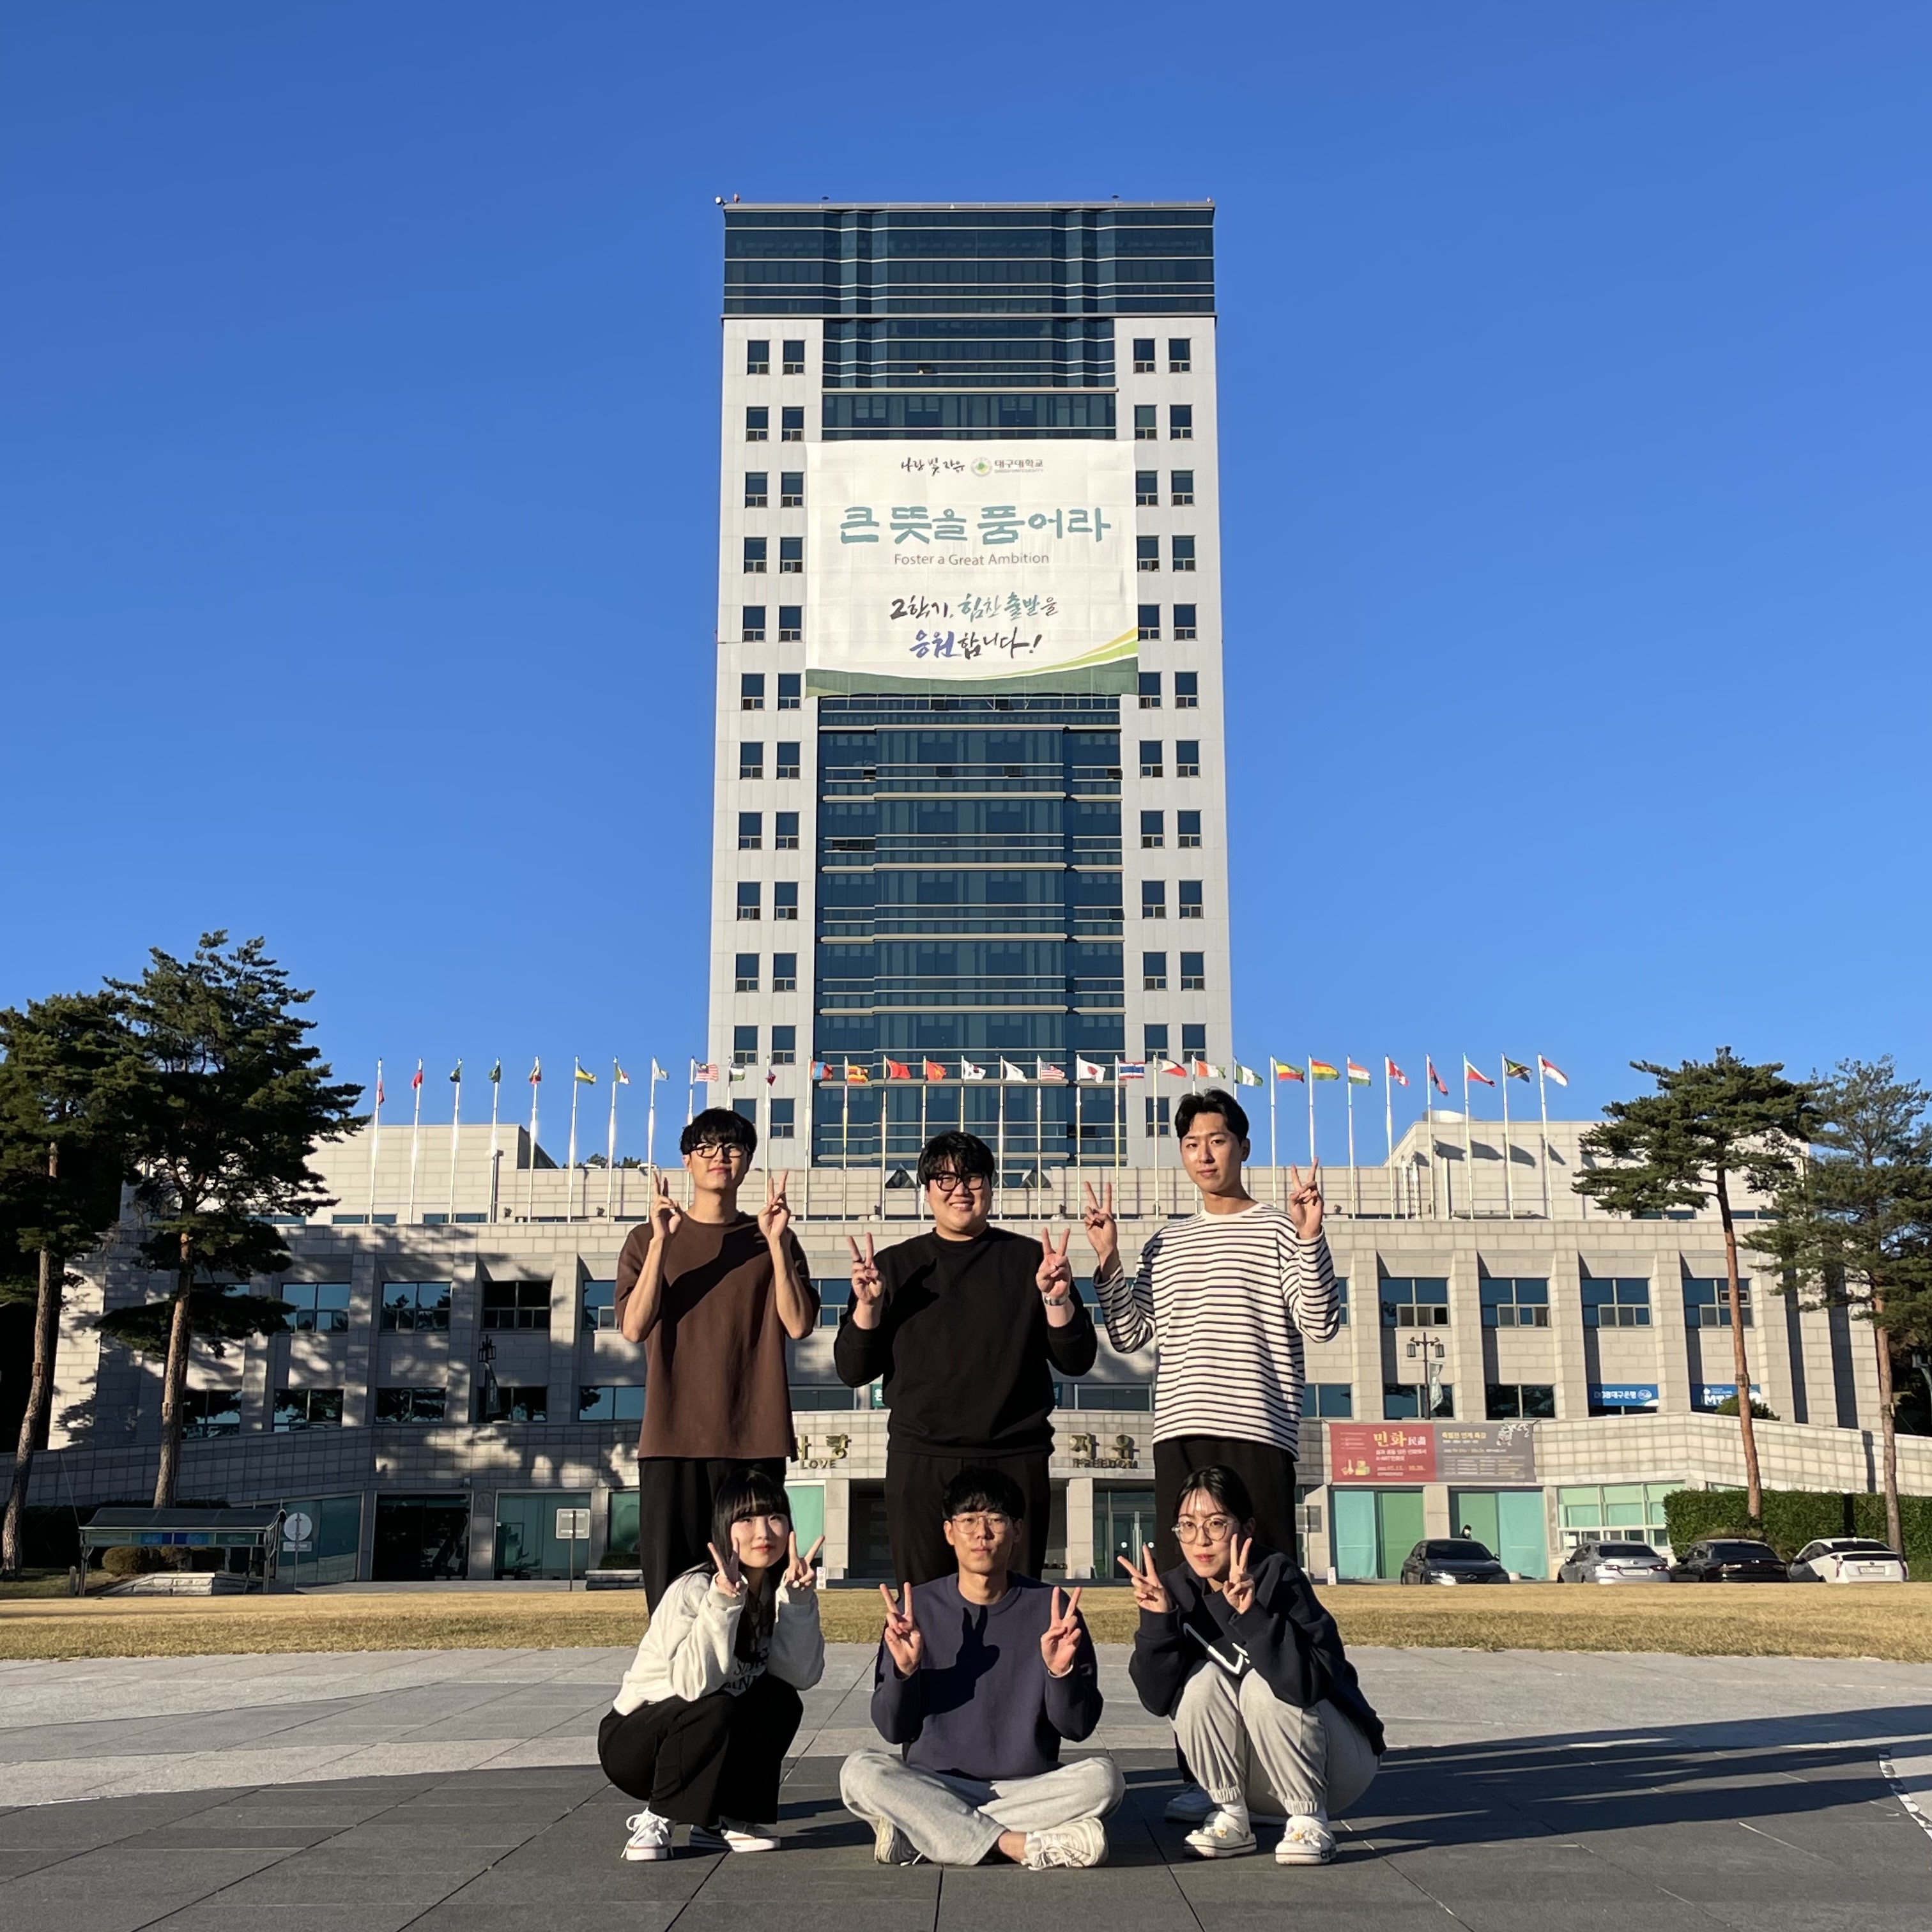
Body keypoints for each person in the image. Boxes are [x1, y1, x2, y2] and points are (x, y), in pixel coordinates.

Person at [834, 1130, 1098, 1587]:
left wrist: (1057, 1299)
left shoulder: (1033, 1262)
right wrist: (868, 1308)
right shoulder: (894, 1268)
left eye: (973, 1178)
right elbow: (852, 1370)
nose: (960, 1190)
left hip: (1014, 1455)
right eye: (945, 1179)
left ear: (991, 1186)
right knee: (923, 1604)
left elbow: (1077, 1360)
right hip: (922, 1458)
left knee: (1017, 1602)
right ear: (927, 1191)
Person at [839, 1466, 1122, 1870]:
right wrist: (905, 1673)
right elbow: (892, 1729)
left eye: (995, 1520)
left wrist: (1060, 1674)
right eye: (968, 1520)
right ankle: (1017, 1844)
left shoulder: (1054, 1610)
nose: (982, 1533)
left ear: (1017, 1530)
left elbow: (1077, 1728)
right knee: (859, 1772)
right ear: (949, 1532)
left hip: (1027, 1788)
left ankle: (926, 1833)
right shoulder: (917, 1611)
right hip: (935, 1784)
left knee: (1105, 1780)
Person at [1123, 1464, 1384, 1866]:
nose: (1201, 1539)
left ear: (1245, 1528)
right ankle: (1231, 1817)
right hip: (1253, 1777)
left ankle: (1309, 1822)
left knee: (1263, 1684)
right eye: (1187, 1526)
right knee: (1200, 1683)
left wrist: (1253, 1616)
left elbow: (1304, 1685)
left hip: (1337, 1763)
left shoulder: (1277, 1575)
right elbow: (1157, 1700)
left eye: (1215, 1523)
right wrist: (1158, 1621)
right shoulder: (1174, 1590)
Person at [616, 1107, 816, 1606]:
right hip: (673, 1439)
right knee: (672, 1595)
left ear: (747, 1161)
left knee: (756, 1593)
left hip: (754, 1439)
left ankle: (752, 1663)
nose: (719, 1156)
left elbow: (798, 1324)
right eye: (706, 1147)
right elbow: (634, 1327)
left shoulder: (774, 1236)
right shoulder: (646, 1239)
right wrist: (662, 1243)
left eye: (732, 1147)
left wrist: (776, 1245)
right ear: (687, 1160)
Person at [600, 1466, 826, 1860]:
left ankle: (723, 1819)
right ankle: (659, 1815)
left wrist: (798, 1601)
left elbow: (799, 1676)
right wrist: (723, 1603)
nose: (764, 1532)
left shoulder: (777, 1592)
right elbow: (692, 1686)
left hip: (706, 1730)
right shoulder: (694, 1589)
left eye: (775, 1517)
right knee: (716, 1704)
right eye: (747, 1519)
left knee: (781, 1701)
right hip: (637, 1742)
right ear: (725, 1527)